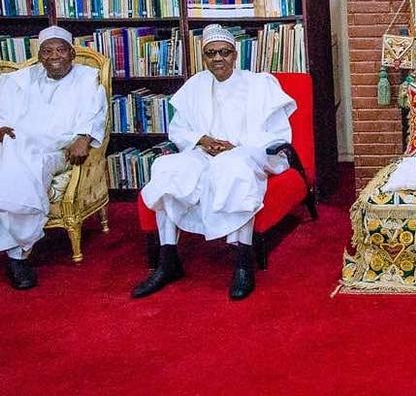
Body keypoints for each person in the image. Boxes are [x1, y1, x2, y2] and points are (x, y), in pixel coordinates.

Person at [132, 24, 296, 300]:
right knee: (167, 170)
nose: (218, 58)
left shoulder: (259, 84)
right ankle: (168, 260)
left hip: (246, 154)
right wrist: (203, 139)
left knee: (233, 171)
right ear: (203, 57)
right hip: (203, 152)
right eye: (211, 54)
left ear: (235, 54)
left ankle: (244, 262)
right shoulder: (195, 85)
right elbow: (179, 130)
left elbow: (276, 133)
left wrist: (236, 146)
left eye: (224, 52)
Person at [0, 26, 106, 290]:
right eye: (47, 51)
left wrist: (84, 136)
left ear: (72, 53)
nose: (54, 56)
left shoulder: (87, 78)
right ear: (39, 56)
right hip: (17, 145)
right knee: (14, 156)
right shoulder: (21, 79)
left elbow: (96, 114)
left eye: (60, 50)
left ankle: (17, 254)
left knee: (23, 169)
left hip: (56, 152)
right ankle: (15, 245)